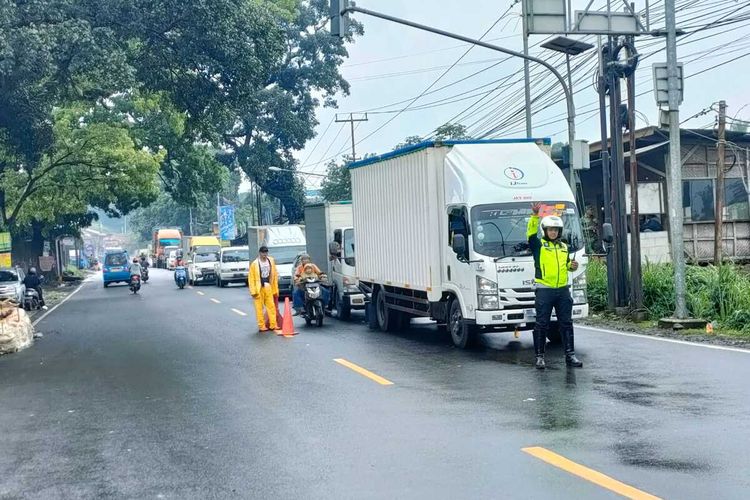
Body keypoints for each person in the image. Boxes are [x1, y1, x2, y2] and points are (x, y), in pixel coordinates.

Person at [527, 202, 582, 370]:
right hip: (545, 290)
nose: (553, 232)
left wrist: (572, 266)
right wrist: (535, 216)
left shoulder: (564, 247)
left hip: (563, 290)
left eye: (556, 230)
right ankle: (539, 357)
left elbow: (565, 265)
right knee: (541, 324)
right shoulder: (539, 246)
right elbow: (530, 235)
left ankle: (570, 355)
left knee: (566, 323)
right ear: (545, 231)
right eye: (550, 229)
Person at [248, 246, 280, 332]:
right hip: (259, 288)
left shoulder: (271, 261)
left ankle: (273, 324)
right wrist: (253, 291)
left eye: (266, 252)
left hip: (268, 286)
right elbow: (251, 278)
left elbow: (274, 274)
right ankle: (261, 325)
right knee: (259, 308)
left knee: (271, 306)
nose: (264, 254)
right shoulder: (254, 264)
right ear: (260, 253)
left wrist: (275, 288)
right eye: (263, 252)